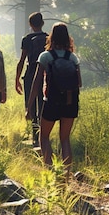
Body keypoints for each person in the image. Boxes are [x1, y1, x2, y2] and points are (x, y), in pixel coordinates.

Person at [26, 22, 81, 170]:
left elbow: (36, 83)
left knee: (44, 137)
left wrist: (29, 106)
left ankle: (49, 170)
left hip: (51, 101)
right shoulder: (73, 58)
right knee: (65, 139)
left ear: (52, 37)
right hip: (70, 101)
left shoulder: (45, 56)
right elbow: (79, 83)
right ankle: (66, 176)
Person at [16, 12, 48, 147]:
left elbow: (22, 59)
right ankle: (42, 135)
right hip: (45, 75)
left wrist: (17, 78)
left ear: (30, 24)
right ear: (42, 23)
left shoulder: (27, 39)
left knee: (30, 104)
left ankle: (35, 135)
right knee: (42, 103)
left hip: (30, 74)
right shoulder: (48, 38)